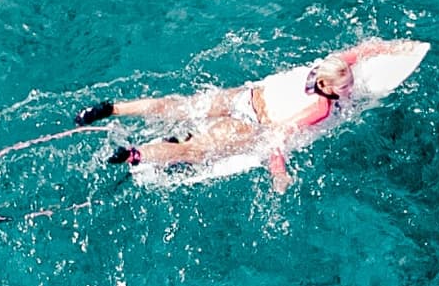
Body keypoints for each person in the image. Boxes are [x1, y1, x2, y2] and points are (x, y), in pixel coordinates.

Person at [79, 50, 368, 190]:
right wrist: (279, 173)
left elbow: (352, 56)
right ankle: (133, 154)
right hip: (249, 125)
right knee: (194, 151)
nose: (350, 89)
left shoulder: (320, 68)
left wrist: (383, 49)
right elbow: (278, 135)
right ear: (328, 87)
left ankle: (111, 108)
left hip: (243, 97)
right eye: (345, 87)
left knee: (178, 106)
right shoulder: (322, 108)